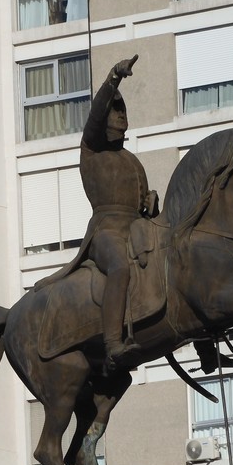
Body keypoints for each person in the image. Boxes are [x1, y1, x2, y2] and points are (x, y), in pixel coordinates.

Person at [35, 55, 158, 373]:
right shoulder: (91, 148)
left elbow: (143, 200)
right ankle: (113, 344)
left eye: (123, 112)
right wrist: (114, 77)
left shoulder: (131, 160)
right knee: (119, 268)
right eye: (114, 112)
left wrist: (150, 200)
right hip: (105, 232)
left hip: (136, 229)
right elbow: (93, 115)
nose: (120, 118)